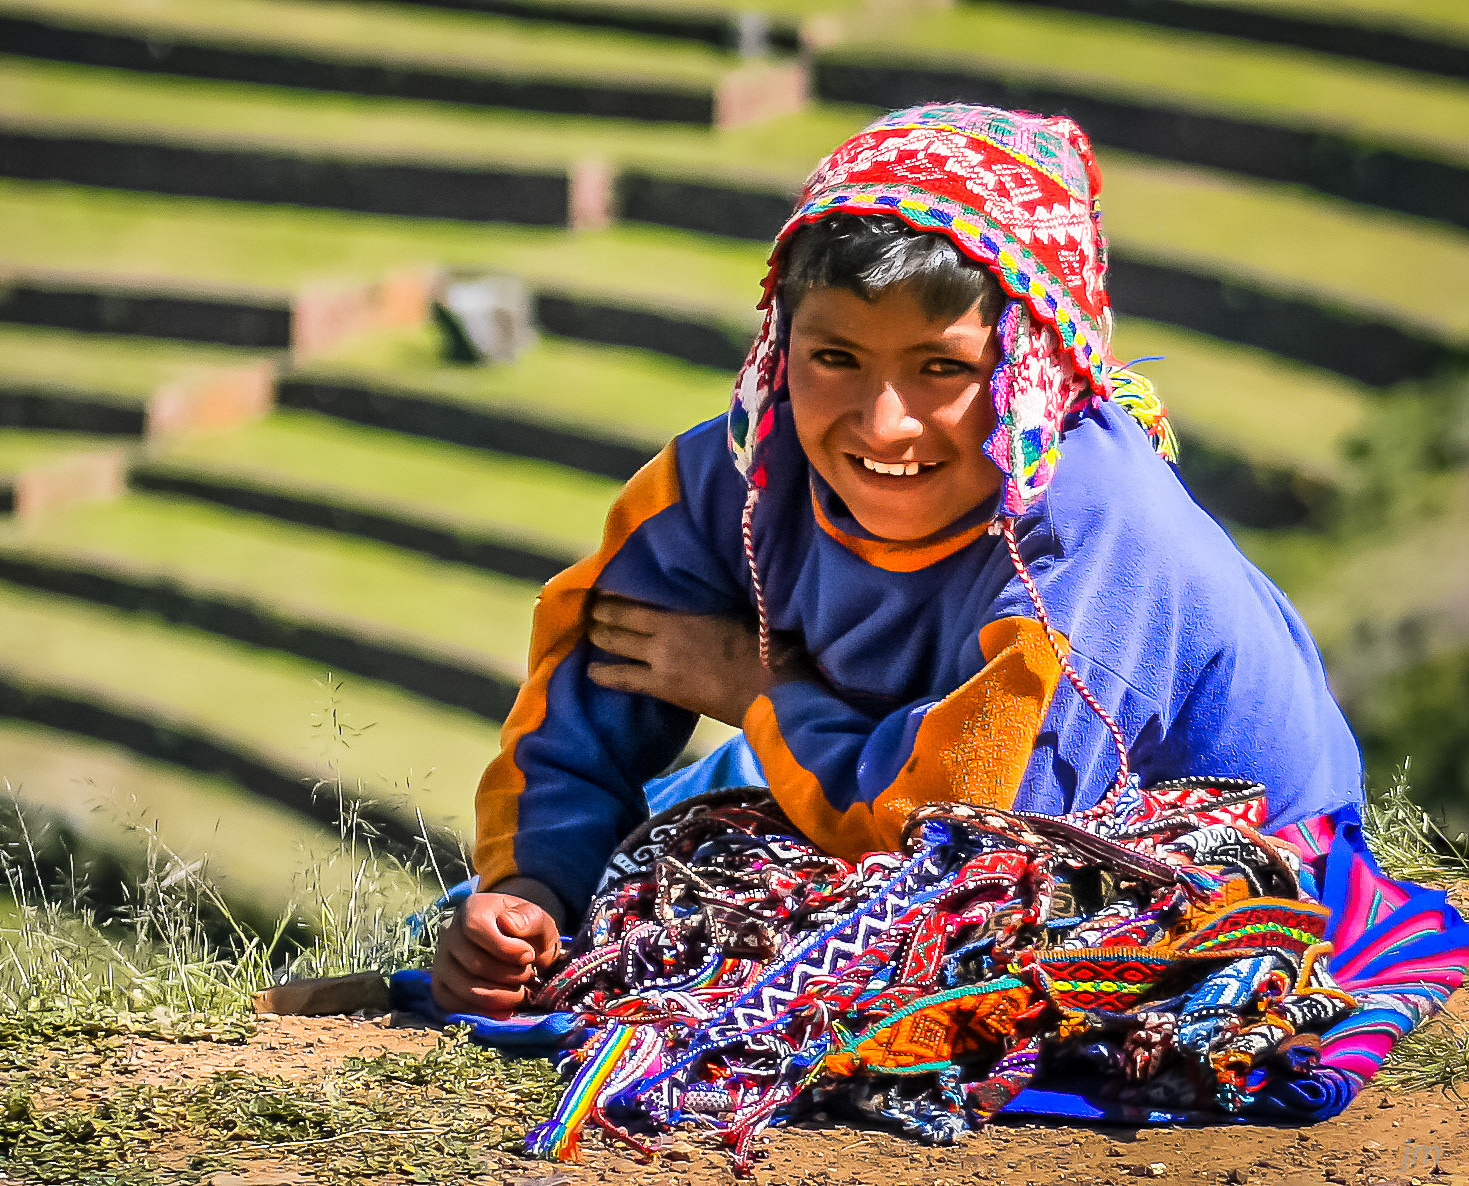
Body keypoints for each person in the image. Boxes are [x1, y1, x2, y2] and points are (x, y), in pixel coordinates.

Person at [429, 104, 1369, 1018]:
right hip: (874, 772)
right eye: (834, 356)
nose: (883, 423)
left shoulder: (1093, 542)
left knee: (826, 963)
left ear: (1028, 371)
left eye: (943, 369)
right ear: (779, 345)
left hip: (1182, 857)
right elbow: (590, 691)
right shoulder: (734, 475)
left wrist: (760, 692)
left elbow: (970, 845)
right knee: (587, 879)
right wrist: (534, 887)